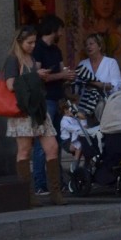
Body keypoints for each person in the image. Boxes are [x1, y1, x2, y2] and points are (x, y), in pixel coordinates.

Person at [5, 25, 67, 207]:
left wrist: (40, 76)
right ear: (20, 42)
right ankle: (28, 195)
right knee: (24, 150)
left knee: (52, 147)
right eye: (29, 42)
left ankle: (55, 192)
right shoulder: (12, 59)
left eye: (34, 42)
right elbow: (10, 85)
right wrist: (35, 75)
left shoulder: (30, 58)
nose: (33, 46)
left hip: (38, 108)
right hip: (23, 110)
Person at [31, 15, 75, 196]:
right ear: (54, 29)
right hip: (45, 98)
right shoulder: (38, 49)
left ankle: (57, 182)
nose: (62, 33)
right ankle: (40, 183)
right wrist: (62, 76)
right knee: (43, 144)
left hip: (57, 98)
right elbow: (41, 76)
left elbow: (61, 69)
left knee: (55, 142)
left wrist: (67, 75)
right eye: (60, 30)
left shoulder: (56, 50)